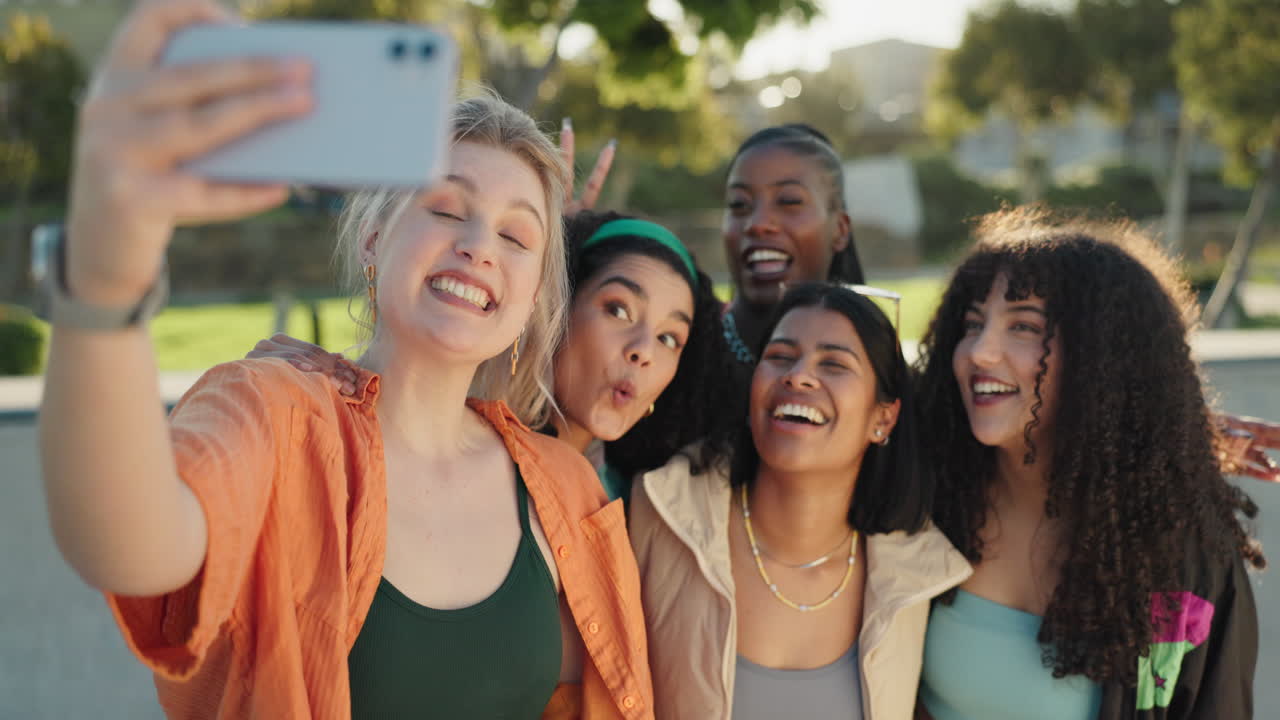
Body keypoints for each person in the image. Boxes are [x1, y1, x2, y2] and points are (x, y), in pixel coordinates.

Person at [37, 3, 652, 718]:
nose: (481, 245)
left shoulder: (564, 489)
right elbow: (124, 546)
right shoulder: (270, 415)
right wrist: (106, 277)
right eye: (447, 209)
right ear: (372, 240)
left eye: (518, 237)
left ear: (532, 299)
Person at [913, 208, 1264, 720]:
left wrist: (1168, 430)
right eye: (972, 323)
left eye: (1025, 327)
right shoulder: (925, 496)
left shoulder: (1184, 552)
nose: (980, 352)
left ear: (1101, 361)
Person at [629, 283, 969, 719]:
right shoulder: (660, 515)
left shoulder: (917, 576)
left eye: (834, 364)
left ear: (883, 419)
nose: (798, 375)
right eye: (780, 357)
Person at [253, 209, 739, 504]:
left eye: (669, 338)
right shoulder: (436, 441)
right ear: (550, 307)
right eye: (617, 309)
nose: (642, 352)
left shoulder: (643, 501)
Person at [720, 124, 866, 378]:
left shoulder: (878, 367)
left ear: (840, 230)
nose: (757, 224)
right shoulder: (677, 350)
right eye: (739, 204)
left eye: (789, 201)